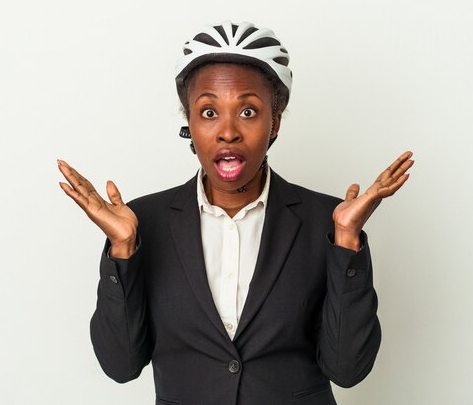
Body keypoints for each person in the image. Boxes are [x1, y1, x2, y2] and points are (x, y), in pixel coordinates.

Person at [58, 21, 414, 405]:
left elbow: (347, 370)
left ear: (274, 122)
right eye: (209, 112)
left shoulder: (329, 222)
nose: (228, 131)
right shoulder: (141, 223)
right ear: (190, 125)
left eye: (247, 110)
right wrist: (122, 251)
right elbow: (120, 366)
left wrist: (346, 242)